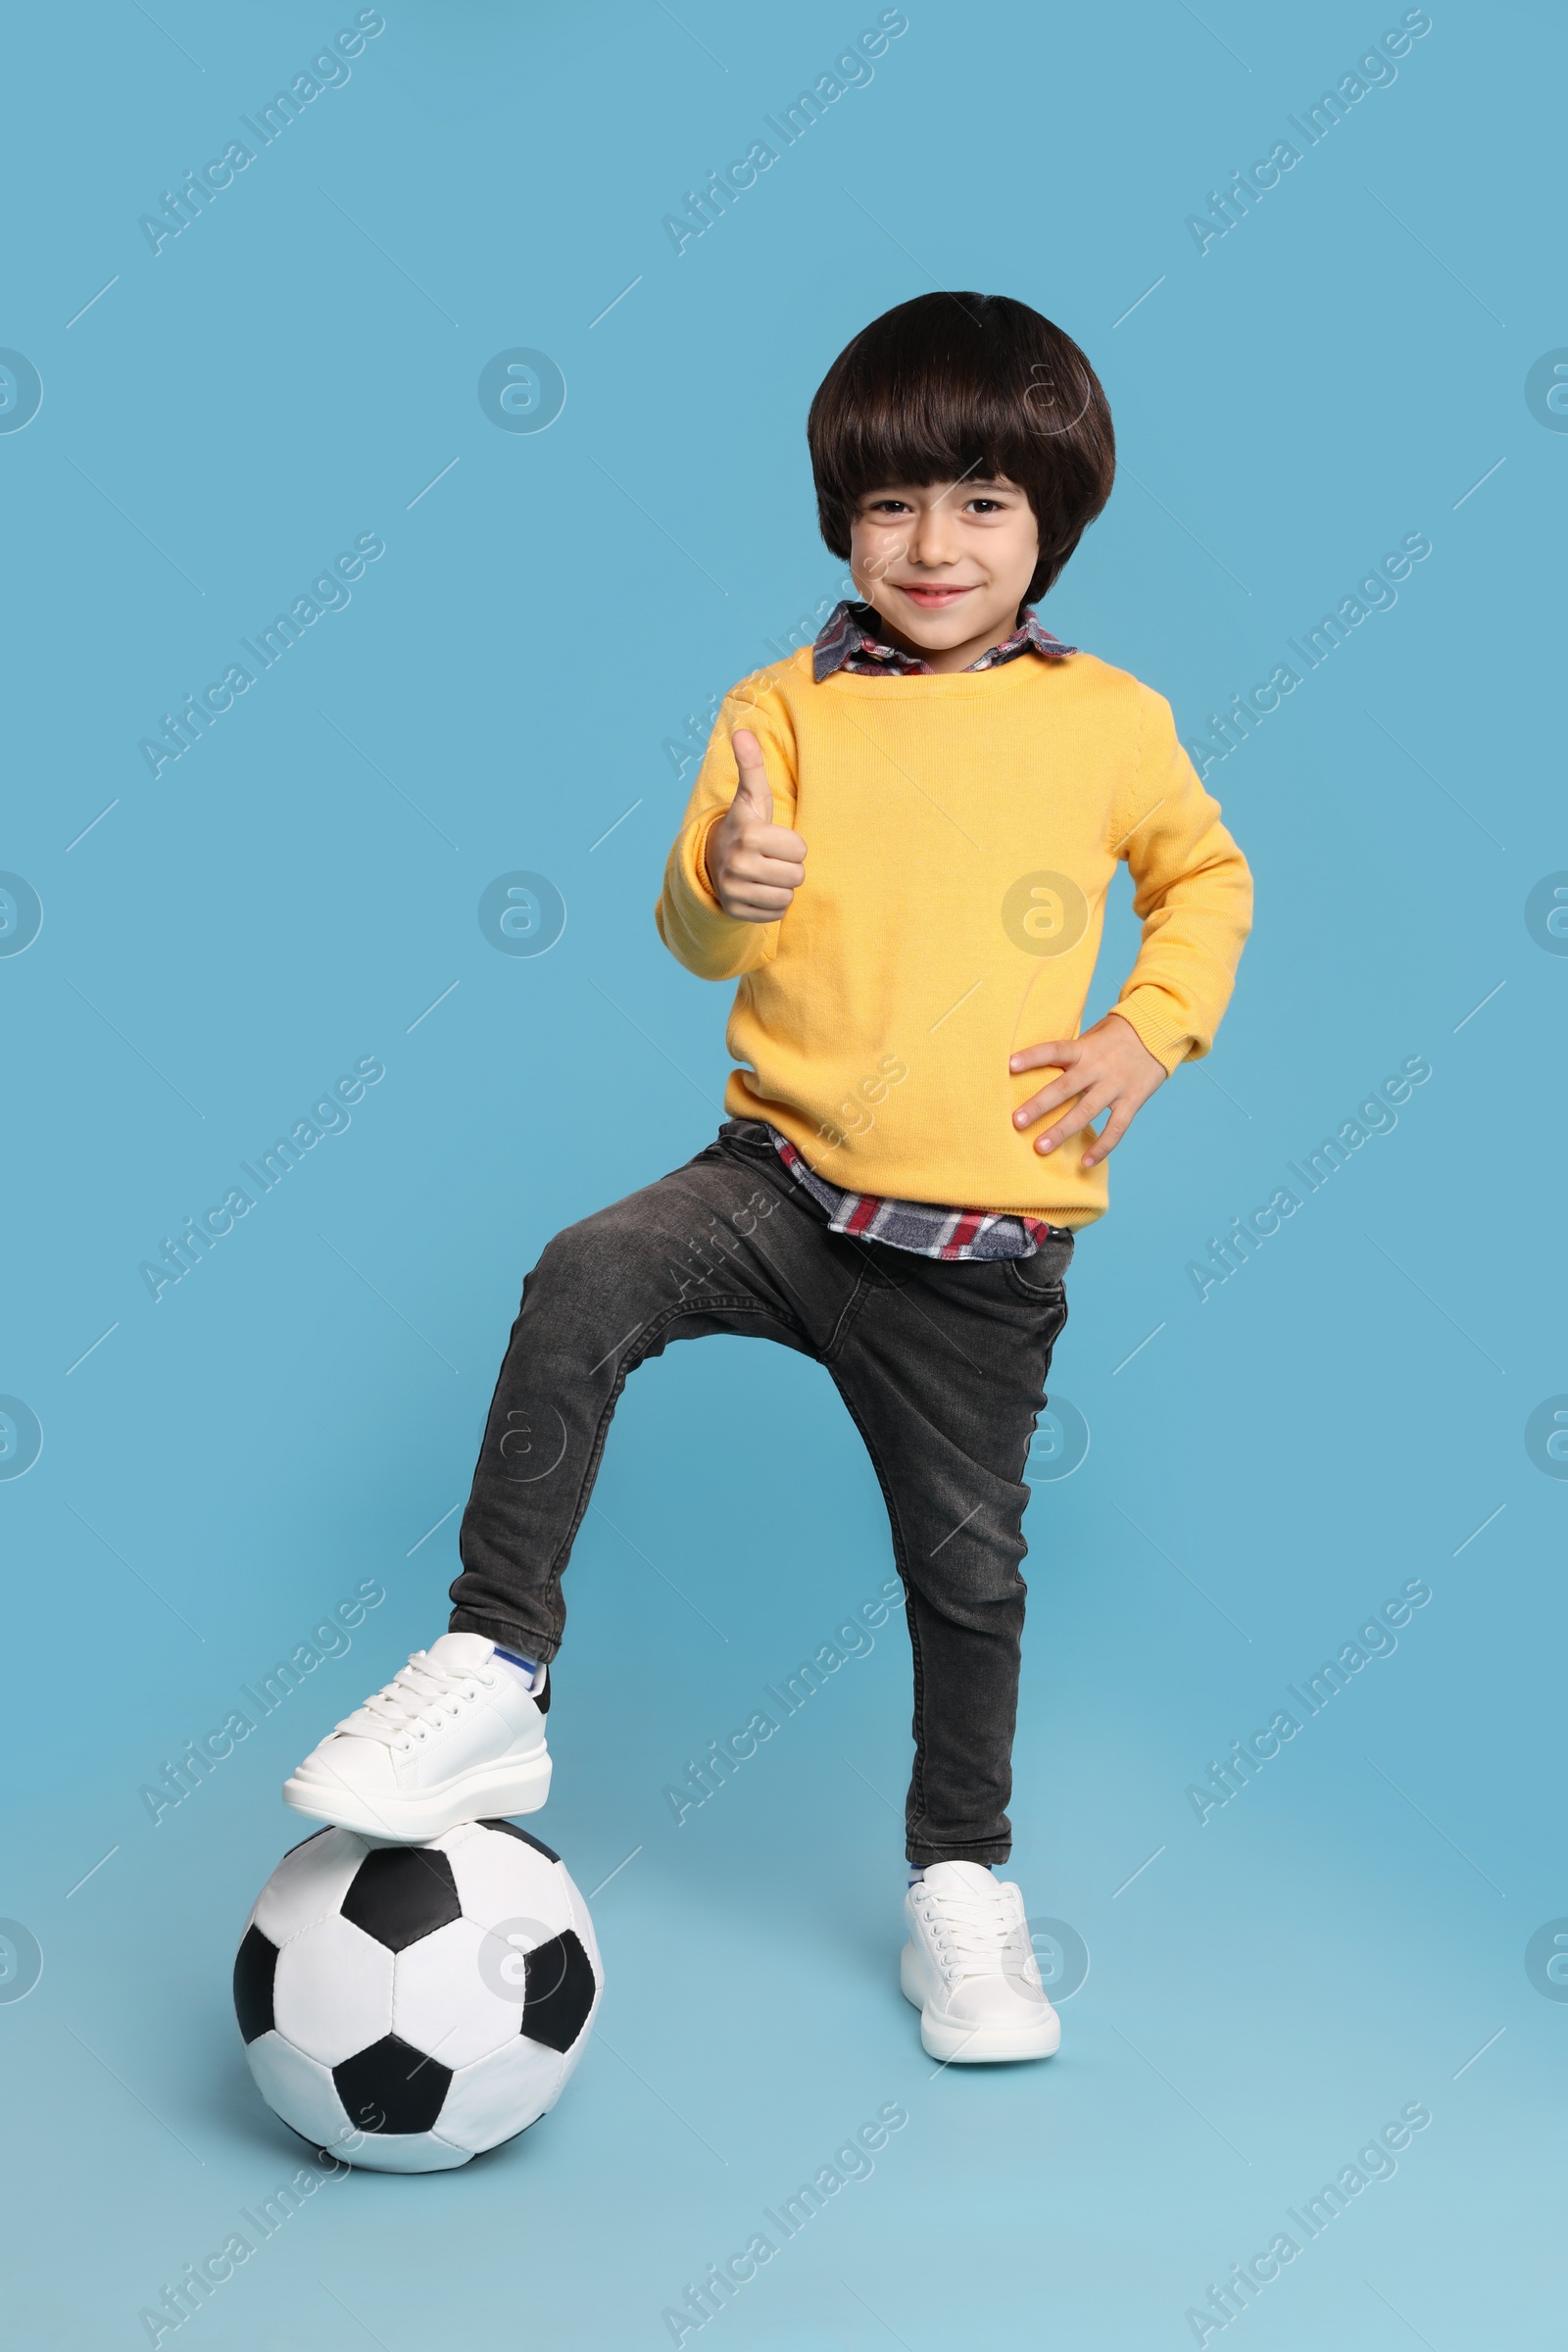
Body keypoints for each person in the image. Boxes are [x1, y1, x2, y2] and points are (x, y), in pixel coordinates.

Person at [285, 292, 1252, 2064]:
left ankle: (960, 1882)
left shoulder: (1109, 719)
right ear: (840, 523)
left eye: (980, 502)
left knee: (970, 1581)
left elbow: (1209, 882)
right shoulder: (781, 706)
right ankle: (498, 1668)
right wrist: (726, 876)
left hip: (973, 1245)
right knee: (582, 1271)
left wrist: (1147, 1033)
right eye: (891, 507)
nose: (934, 544)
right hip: (782, 1185)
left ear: (1052, 520)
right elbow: (689, 935)